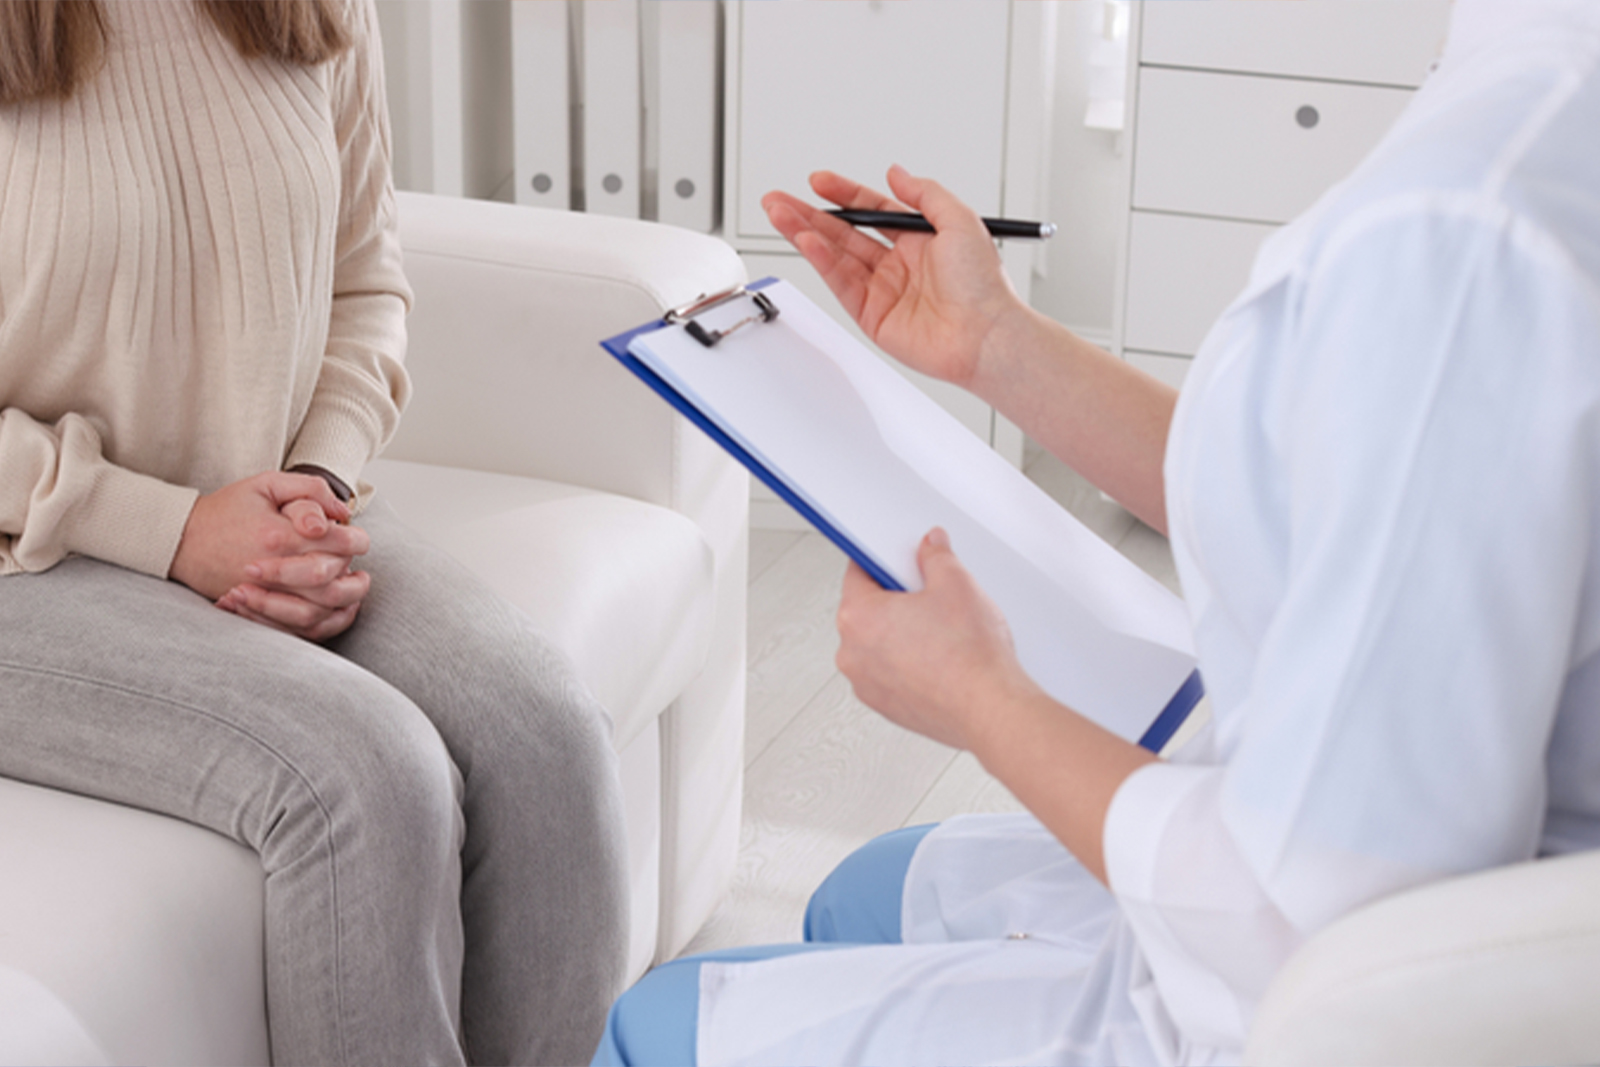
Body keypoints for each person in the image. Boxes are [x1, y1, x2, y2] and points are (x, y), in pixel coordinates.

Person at [593, 0, 1600, 1063]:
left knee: (658, 1031)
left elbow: (1308, 921)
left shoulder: (1471, 225)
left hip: (1320, 991)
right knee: (865, 889)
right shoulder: (1510, 144)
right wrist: (996, 341)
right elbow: (1315, 490)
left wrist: (985, 700)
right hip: (1393, 878)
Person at [0, 2, 626, 1063]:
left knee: (544, 731)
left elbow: (366, 280)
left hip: (269, 502)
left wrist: (315, 484)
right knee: (368, 778)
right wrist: (175, 530)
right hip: (29, 557)